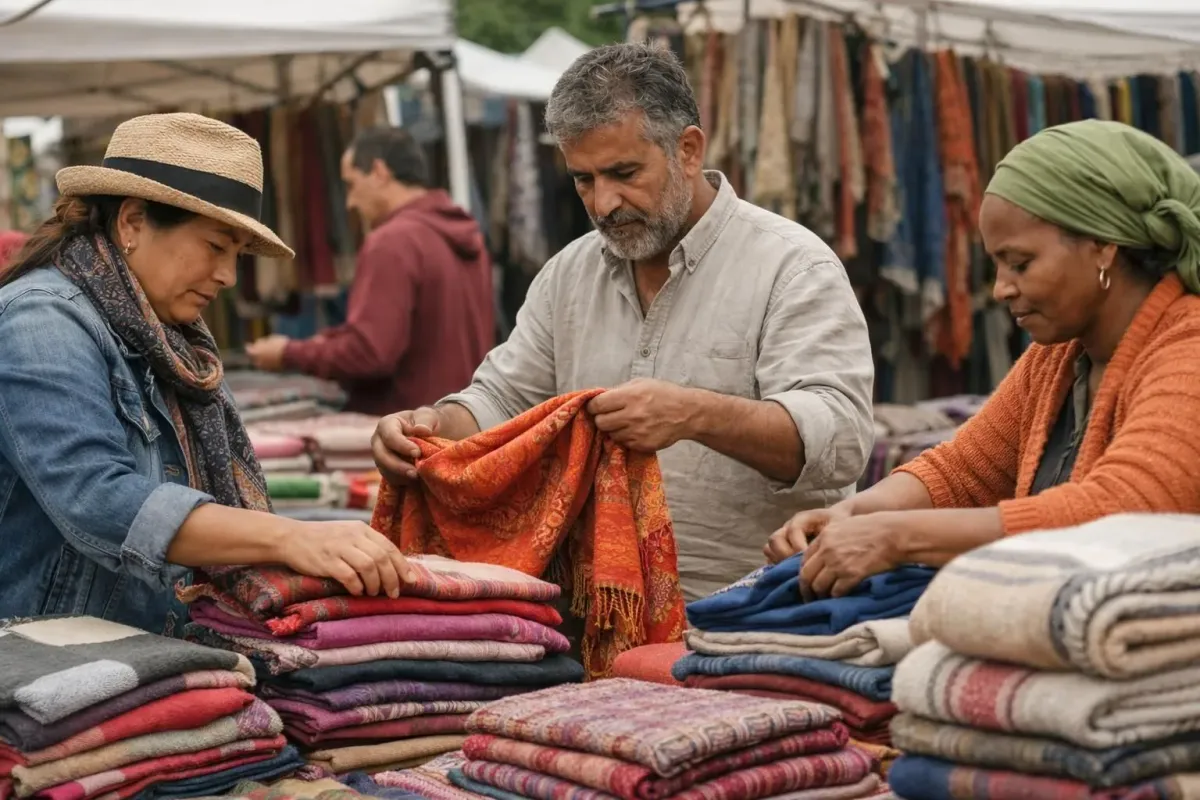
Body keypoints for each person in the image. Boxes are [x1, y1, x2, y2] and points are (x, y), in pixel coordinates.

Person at [372, 43, 875, 600]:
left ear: (687, 150)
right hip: (597, 622)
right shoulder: (569, 275)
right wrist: (427, 427)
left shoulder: (791, 266)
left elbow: (839, 439)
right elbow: (503, 400)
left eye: (623, 173)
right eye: (583, 180)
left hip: (758, 614)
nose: (604, 202)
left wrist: (694, 413)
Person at [0, 113, 415, 636]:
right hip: (49, 666)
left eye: (237, 255)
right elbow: (97, 497)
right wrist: (287, 537)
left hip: (147, 656)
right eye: (216, 247)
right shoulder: (41, 319)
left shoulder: (163, 335)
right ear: (131, 223)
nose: (227, 276)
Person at [766, 119, 1200, 599]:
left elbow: (1120, 510)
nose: (1000, 288)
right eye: (996, 264)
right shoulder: (1055, 360)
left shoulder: (1188, 350)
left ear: (1102, 246)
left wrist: (897, 536)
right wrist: (856, 513)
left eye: (1020, 263)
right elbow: (965, 469)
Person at [245, 127, 494, 416]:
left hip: (408, 433)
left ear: (379, 171)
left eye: (351, 184)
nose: (349, 203)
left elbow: (371, 352)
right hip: (462, 424)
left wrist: (288, 353)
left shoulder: (393, 241)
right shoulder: (463, 236)